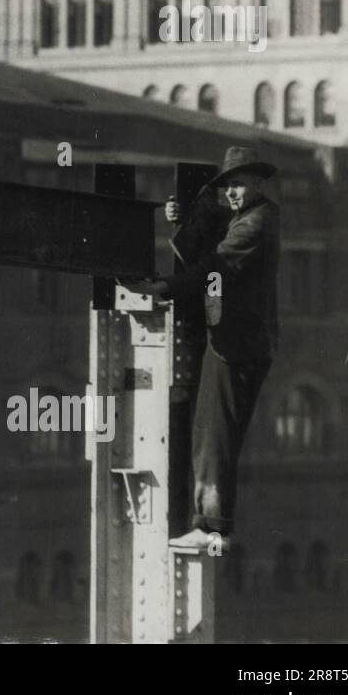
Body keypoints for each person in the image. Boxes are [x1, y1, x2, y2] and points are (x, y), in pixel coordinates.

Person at [132, 146, 280, 551]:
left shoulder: (255, 225)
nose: (232, 192)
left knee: (216, 435)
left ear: (257, 183)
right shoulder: (249, 217)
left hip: (238, 345)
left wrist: (163, 286)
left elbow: (215, 264)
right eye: (227, 186)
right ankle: (207, 522)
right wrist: (183, 221)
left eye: (238, 184)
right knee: (208, 432)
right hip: (231, 341)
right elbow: (217, 240)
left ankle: (213, 528)